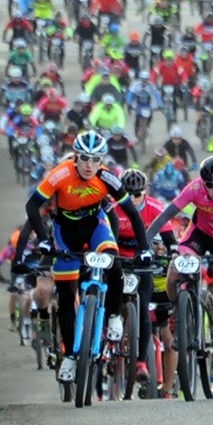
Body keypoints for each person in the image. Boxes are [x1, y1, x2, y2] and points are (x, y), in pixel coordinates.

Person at [23, 131, 149, 384]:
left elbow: (132, 214)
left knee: (112, 260)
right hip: (65, 229)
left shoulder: (106, 178)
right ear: (76, 157)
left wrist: (144, 248)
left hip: (95, 225)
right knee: (67, 296)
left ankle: (114, 316)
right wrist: (45, 241)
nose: (89, 164)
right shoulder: (61, 173)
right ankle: (69, 356)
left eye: (95, 159)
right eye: (84, 158)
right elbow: (31, 206)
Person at [142, 155, 213, 382]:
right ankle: (177, 310)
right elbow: (167, 215)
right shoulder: (195, 188)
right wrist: (145, 243)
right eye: (209, 185)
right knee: (174, 272)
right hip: (199, 236)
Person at [111, 168, 164, 393]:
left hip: (142, 265)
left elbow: (170, 236)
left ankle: (141, 362)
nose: (132, 198)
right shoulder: (112, 207)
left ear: (145, 191)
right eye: (128, 193)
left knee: (142, 308)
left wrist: (172, 250)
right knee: (109, 297)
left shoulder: (154, 207)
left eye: (137, 194)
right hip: (118, 260)